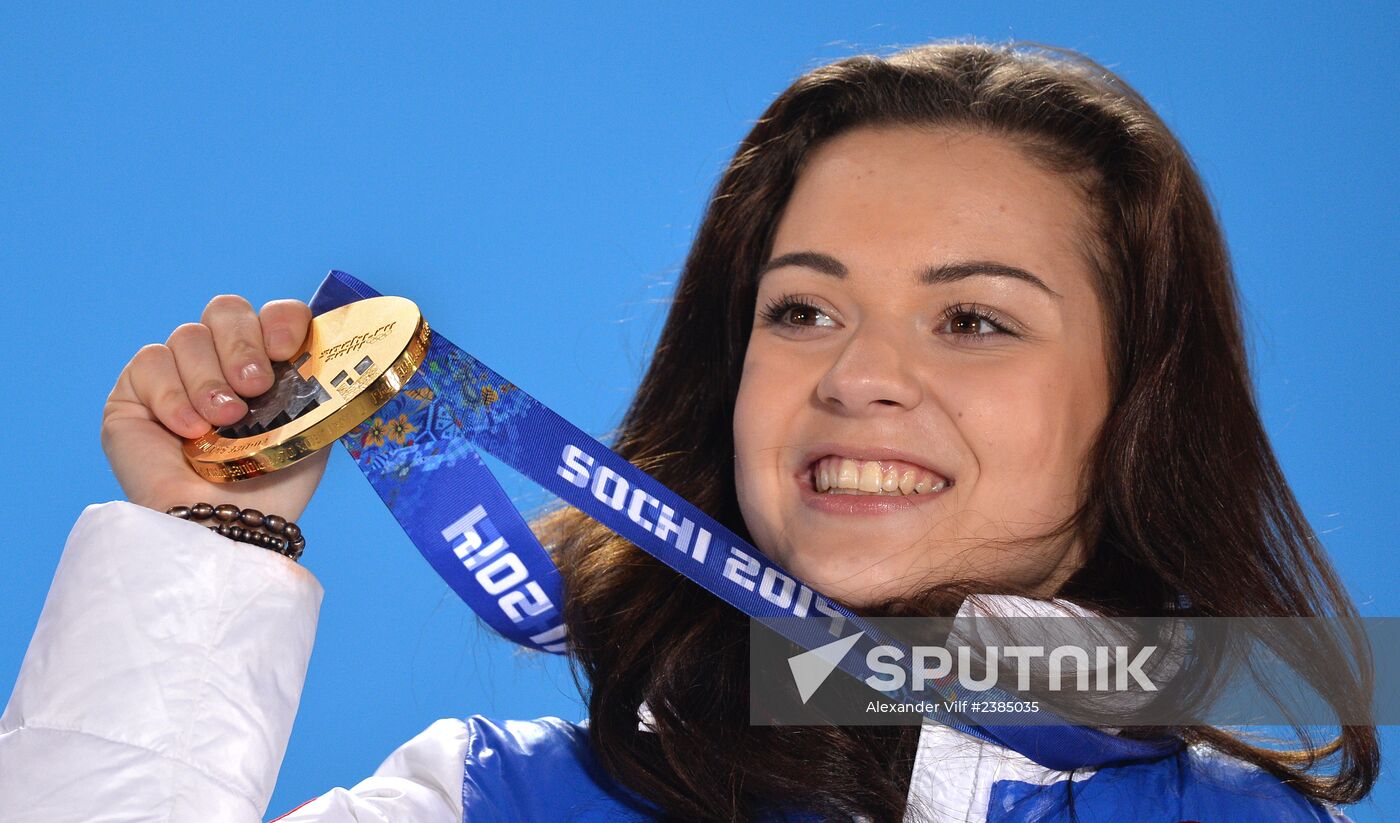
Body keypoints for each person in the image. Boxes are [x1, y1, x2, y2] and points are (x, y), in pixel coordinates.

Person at [0, 40, 1376, 822]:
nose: (858, 377)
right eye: (802, 312)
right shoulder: (498, 804)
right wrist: (208, 545)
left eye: (973, 320)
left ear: (1141, 403)